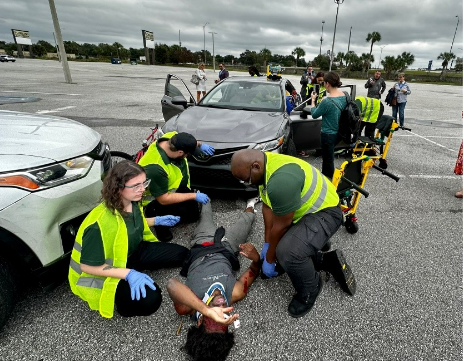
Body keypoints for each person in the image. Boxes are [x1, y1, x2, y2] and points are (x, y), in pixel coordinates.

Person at [230, 150, 356, 318]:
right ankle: (325, 261)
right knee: (279, 249)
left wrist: (269, 258)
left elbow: (281, 226)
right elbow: (267, 207)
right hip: (308, 213)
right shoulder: (265, 166)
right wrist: (267, 245)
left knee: (287, 252)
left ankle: (311, 287)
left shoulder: (281, 182)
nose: (246, 183)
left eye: (247, 180)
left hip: (327, 214)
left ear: (255, 166)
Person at [68, 160, 189, 318]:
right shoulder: (97, 224)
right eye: (136, 186)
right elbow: (87, 267)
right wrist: (128, 274)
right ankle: (123, 308)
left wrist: (156, 220)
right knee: (151, 299)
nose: (143, 190)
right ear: (118, 188)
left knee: (183, 254)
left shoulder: (132, 201)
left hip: (133, 252)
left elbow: (129, 225)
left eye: (144, 183)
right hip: (107, 268)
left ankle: (137, 270)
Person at [166, 197, 262, 361]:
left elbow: (171, 284)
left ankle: (203, 195)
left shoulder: (188, 307)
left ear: (200, 320)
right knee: (247, 220)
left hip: (202, 244)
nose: (221, 308)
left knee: (206, 212)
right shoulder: (235, 293)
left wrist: (205, 309)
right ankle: (251, 203)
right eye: (224, 319)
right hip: (228, 247)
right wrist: (256, 257)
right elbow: (254, 269)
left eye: (214, 316)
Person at [138, 131, 215, 242]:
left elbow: (184, 140)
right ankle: (157, 221)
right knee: (174, 214)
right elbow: (164, 199)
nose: (187, 156)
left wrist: (199, 144)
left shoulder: (171, 138)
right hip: (157, 200)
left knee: (193, 216)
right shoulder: (155, 168)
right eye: (187, 154)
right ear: (180, 152)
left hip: (176, 188)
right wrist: (193, 196)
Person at [310, 71, 347, 179]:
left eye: (324, 83)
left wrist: (313, 101)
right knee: (330, 157)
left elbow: (314, 114)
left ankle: (328, 179)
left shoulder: (327, 101)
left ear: (327, 84)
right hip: (339, 132)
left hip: (327, 134)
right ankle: (328, 177)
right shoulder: (344, 95)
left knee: (327, 159)